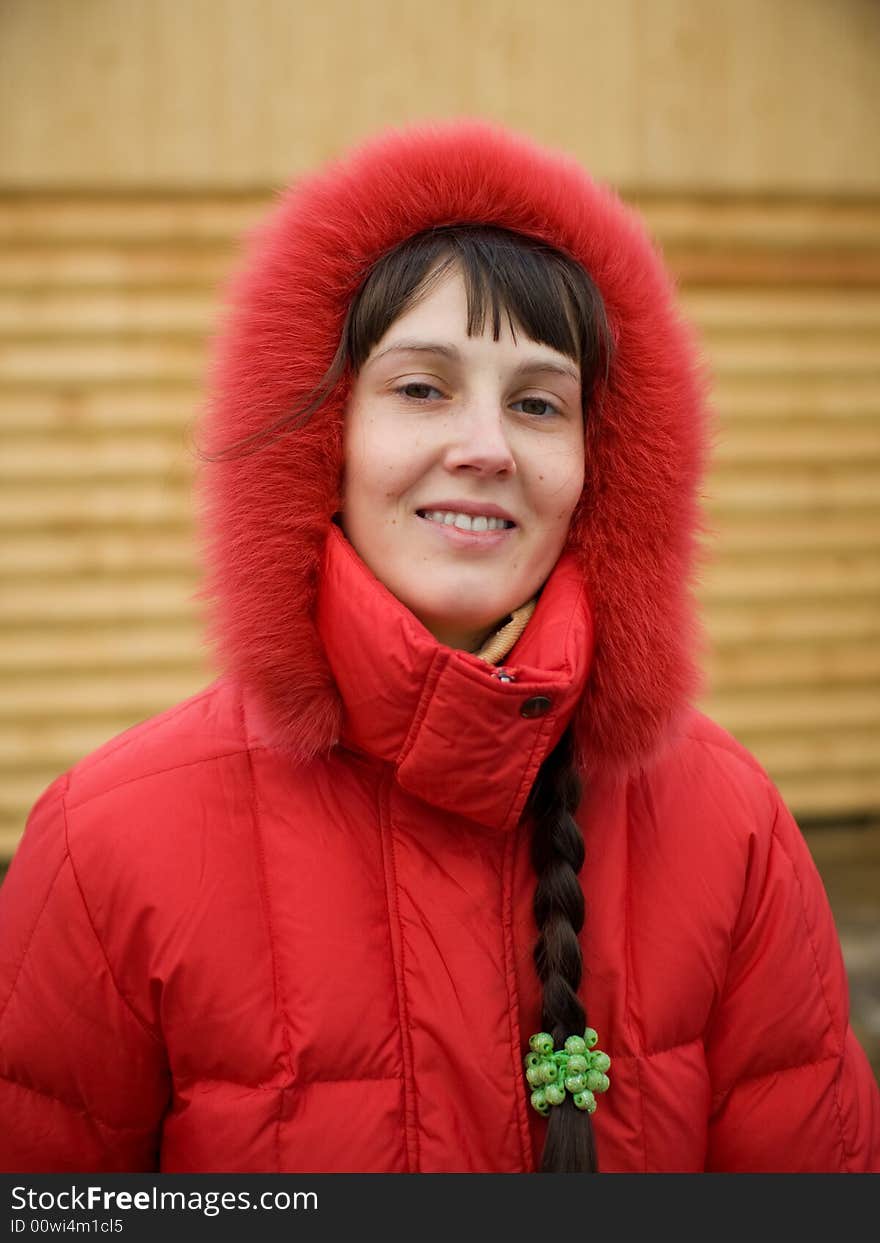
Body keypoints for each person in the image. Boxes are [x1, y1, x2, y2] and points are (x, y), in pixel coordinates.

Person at [0, 119, 878, 1176]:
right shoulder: (109, 847)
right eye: (421, 388)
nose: (484, 448)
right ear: (323, 436)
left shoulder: (729, 829)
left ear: (604, 469)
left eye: (539, 403)